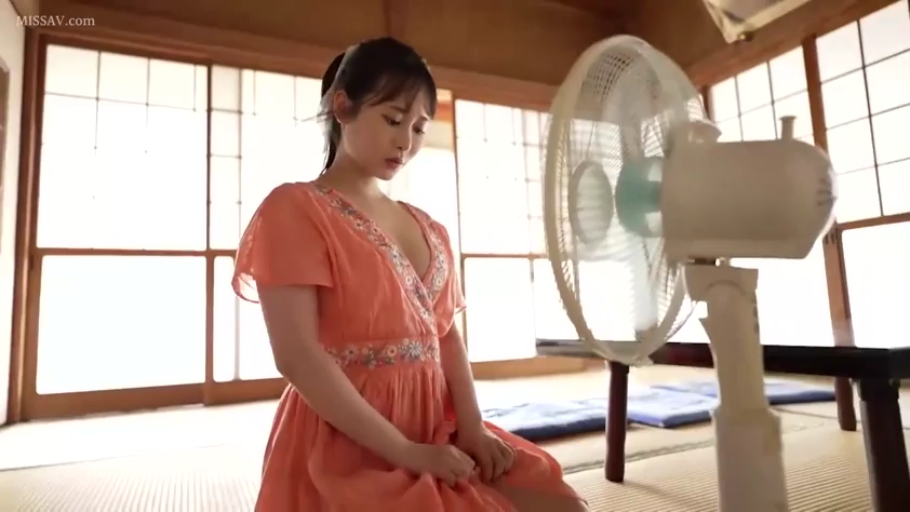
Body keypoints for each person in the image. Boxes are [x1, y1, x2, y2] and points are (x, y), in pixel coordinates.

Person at [232, 37, 588, 512]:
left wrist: (472, 427)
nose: (406, 142)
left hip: (436, 428)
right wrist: (405, 452)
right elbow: (297, 357)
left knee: (558, 502)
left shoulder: (428, 227)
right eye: (393, 120)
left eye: (419, 127)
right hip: (346, 443)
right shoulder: (296, 209)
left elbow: (447, 336)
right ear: (343, 107)